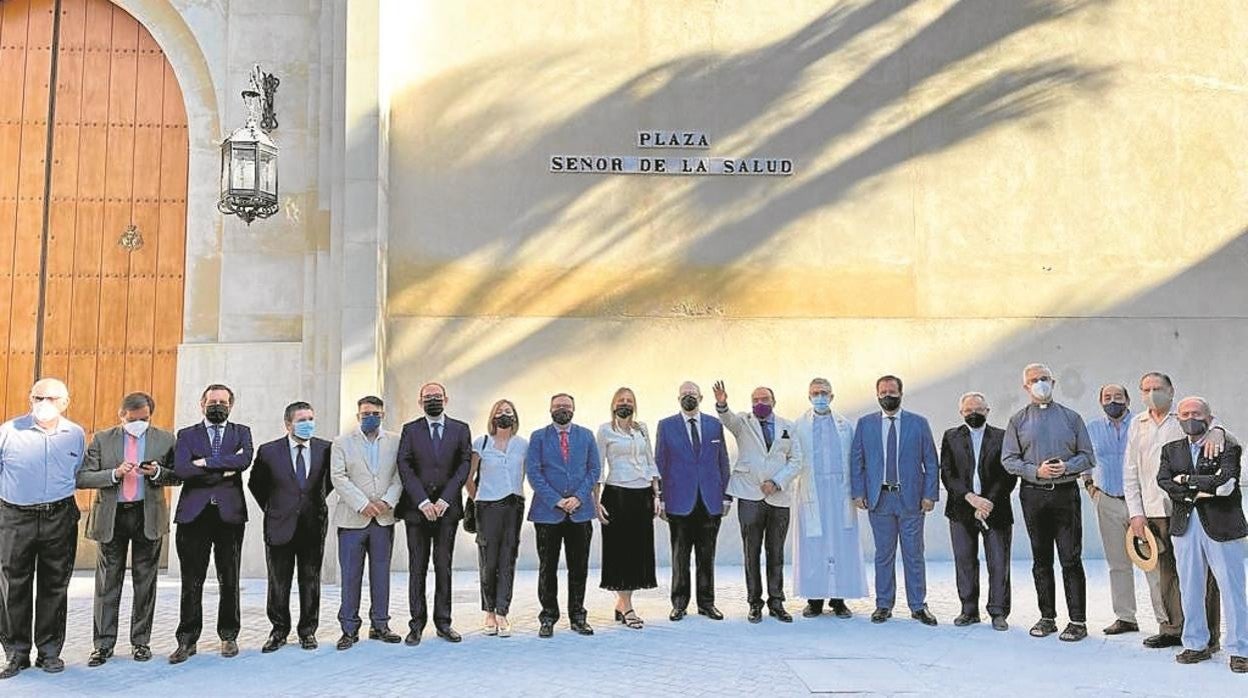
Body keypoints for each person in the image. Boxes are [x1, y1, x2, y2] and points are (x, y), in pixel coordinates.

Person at [1123, 371, 1224, 650]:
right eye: (1146, 389)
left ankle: (1209, 634)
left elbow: (1210, 429)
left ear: (1171, 390)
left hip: (1187, 506)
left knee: (1201, 573)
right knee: (1166, 573)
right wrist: (1136, 512)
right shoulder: (1137, 424)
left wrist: (1219, 430)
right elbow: (1130, 471)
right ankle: (1172, 629)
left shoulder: (1182, 418)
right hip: (1153, 509)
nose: (1152, 393)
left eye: (1158, 388)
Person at [76, 392, 176, 666]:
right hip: (113, 517)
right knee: (107, 583)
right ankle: (103, 645)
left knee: (145, 583)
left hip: (147, 514)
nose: (138, 424)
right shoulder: (102, 439)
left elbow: (177, 475)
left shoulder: (165, 439)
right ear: (122, 416)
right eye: (133, 420)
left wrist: (156, 472)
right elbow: (83, 477)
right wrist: (114, 474)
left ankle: (141, 642)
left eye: (144, 419)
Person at [1002, 363, 1095, 642]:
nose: (1039, 383)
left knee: (1070, 557)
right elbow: (1009, 460)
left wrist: (1065, 467)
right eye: (1033, 380)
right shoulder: (1017, 421)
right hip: (1032, 494)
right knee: (1041, 558)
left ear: (1053, 382)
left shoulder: (1071, 418)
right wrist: (1035, 471)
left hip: (1065, 494)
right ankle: (1047, 617)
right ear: (1025, 387)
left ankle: (1078, 620)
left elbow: (1088, 456)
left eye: (1044, 378)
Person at [0, 378, 86, 679]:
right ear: (29, 397)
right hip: (15, 516)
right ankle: (16, 653)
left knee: (54, 585)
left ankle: (49, 652)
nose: (45, 403)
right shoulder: (8, 431)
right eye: (39, 397)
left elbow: (76, 473)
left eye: (52, 398)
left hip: (59, 516)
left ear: (65, 402)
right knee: (13, 585)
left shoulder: (75, 434)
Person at [1156, 397, 1247, 673]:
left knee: (1232, 589)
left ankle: (1240, 649)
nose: (1191, 418)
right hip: (1185, 526)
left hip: (1222, 526)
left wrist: (1184, 480)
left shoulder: (1226, 446)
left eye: (1197, 413)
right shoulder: (1170, 450)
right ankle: (1195, 644)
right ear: (1178, 418)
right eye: (1185, 413)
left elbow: (1226, 483)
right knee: (1190, 587)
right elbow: (1163, 481)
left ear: (1209, 417)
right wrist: (1200, 489)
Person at [170, 384, 254, 664]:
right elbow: (182, 469)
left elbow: (244, 460)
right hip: (194, 515)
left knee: (229, 577)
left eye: (223, 401)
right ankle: (187, 639)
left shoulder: (241, 432)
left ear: (231, 405)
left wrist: (205, 462)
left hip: (229, 516)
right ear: (201, 403)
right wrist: (222, 472)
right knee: (191, 580)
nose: (217, 405)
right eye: (212, 401)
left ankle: (229, 635)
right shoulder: (186, 434)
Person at [850, 375, 940, 626]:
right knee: (884, 554)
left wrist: (930, 495)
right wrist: (858, 492)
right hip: (880, 500)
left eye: (892, 391)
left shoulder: (918, 423)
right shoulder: (865, 424)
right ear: (877, 394)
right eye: (883, 391)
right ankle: (883, 604)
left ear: (901, 393)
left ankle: (918, 605)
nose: (887, 395)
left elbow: (931, 462)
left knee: (914, 554)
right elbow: (857, 460)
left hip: (910, 499)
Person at [713, 380, 802, 623]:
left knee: (776, 552)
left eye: (764, 399)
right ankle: (754, 603)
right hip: (750, 495)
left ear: (774, 402)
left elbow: (796, 460)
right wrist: (722, 404)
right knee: (751, 551)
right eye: (755, 400)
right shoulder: (743, 422)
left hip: (779, 497)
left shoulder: (788, 427)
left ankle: (776, 602)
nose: (759, 404)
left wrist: (776, 482)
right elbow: (727, 419)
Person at [248, 401, 333, 652]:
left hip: (312, 525)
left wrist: (310, 504)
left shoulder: (325, 449)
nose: (307, 424)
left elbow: (329, 483)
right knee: (278, 581)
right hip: (279, 524)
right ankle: (278, 630)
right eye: (301, 420)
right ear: (288, 424)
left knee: (310, 580)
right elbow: (257, 485)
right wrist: (276, 508)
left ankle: (308, 631)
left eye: (310, 418)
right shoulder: (269, 451)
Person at [396, 382, 472, 645]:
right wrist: (422, 502)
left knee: (443, 567)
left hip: (446, 512)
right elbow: (404, 466)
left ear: (446, 399)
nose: (433, 400)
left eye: (437, 396)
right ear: (420, 402)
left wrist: (443, 500)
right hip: (417, 513)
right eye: (428, 397)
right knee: (417, 568)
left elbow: (463, 466)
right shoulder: (410, 430)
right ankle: (416, 624)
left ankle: (444, 623)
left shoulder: (460, 429)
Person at [330, 395, 403, 651]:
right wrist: (363, 504)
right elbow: (338, 477)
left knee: (381, 574)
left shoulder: (395, 441)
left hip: (384, 519)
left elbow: (399, 476)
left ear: (382, 414)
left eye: (375, 413)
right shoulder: (341, 442)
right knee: (351, 575)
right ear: (358, 415)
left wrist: (386, 502)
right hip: (353, 519)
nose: (370, 417)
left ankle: (380, 624)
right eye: (365, 413)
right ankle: (349, 629)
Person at [939, 391, 1016, 630]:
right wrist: (970, 497)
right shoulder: (951, 436)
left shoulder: (1003, 437)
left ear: (987, 411)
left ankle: (998, 612)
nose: (974, 413)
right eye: (969, 410)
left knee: (998, 562)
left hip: (996, 509)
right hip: (961, 509)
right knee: (965, 561)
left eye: (978, 409)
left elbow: (1008, 474)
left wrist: (988, 501)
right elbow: (948, 473)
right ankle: (968, 609)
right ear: (961, 412)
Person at [525, 393, 601, 638]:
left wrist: (578, 497)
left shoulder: (586, 436)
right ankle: (548, 616)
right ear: (550, 409)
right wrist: (557, 500)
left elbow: (594, 470)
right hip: (548, 513)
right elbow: (534, 473)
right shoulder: (538, 437)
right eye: (558, 406)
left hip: (580, 512)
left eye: (567, 406)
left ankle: (578, 616)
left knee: (578, 568)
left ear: (574, 409)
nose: (562, 410)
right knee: (548, 568)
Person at [654, 381, 730, 622]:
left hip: (710, 500)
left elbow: (723, 461)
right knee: (680, 556)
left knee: (707, 556)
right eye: (685, 394)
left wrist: (727, 496)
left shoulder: (714, 424)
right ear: (678, 398)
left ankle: (707, 603)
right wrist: (661, 499)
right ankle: (679, 603)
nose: (689, 397)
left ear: (701, 397)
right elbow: (660, 463)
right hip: (679, 501)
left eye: (693, 394)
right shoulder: (666, 426)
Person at [793, 377, 867, 619]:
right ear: (809, 396)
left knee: (841, 543)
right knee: (813, 544)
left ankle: (839, 599)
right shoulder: (798, 426)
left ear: (832, 396)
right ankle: (814, 599)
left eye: (824, 392)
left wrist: (859, 491)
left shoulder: (845, 425)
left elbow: (856, 460)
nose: (820, 396)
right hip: (811, 492)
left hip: (840, 492)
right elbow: (792, 458)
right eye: (815, 392)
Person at [595, 387, 661, 630]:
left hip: (642, 493)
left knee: (638, 551)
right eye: (621, 400)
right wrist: (596, 500)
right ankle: (626, 605)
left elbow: (650, 460)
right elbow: (598, 466)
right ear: (613, 404)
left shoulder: (641, 428)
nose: (625, 404)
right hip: (618, 494)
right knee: (619, 551)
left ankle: (623, 603)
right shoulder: (605, 430)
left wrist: (656, 494)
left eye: (630, 400)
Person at [1083, 383, 1139, 635]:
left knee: (1154, 563)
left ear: (1127, 400)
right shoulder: (1092, 428)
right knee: (1118, 563)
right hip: (1108, 500)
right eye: (1107, 397)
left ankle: (1167, 620)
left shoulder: (1140, 424)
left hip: (1141, 504)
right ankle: (1126, 617)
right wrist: (1089, 487)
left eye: (1118, 396)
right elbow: (1085, 458)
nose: (1112, 401)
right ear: (1100, 401)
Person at [468, 399, 526, 638]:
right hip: (487, 506)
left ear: (515, 417)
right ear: (493, 417)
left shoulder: (523, 445)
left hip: (514, 505)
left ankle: (503, 611)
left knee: (508, 558)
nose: (504, 415)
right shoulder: (481, 443)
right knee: (488, 559)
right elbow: (468, 477)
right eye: (500, 412)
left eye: (508, 411)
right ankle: (489, 611)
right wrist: (478, 499)